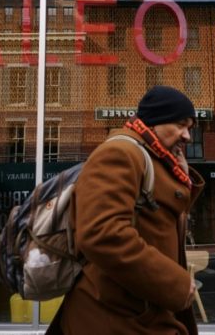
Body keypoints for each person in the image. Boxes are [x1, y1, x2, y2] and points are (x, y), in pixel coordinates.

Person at [47, 86, 206, 334]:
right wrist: (176, 284)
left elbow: (157, 221)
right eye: (180, 124)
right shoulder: (120, 153)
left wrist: (181, 179)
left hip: (139, 313)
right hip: (114, 318)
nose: (187, 136)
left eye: (190, 128)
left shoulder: (155, 158)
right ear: (155, 121)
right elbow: (102, 234)